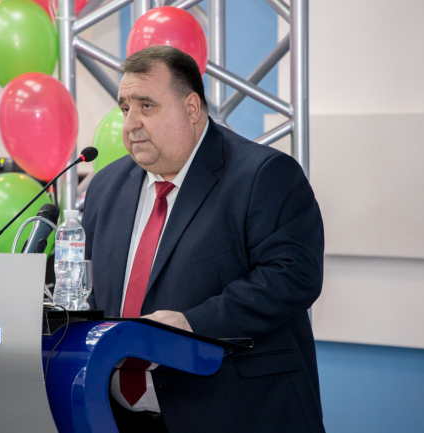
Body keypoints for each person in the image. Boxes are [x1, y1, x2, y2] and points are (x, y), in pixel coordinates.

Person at [82, 45, 325, 433]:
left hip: (236, 415)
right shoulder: (105, 187)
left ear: (192, 108)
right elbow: (90, 293)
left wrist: (191, 323)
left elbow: (293, 277)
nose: (130, 124)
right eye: (125, 108)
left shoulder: (263, 175)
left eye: (146, 106)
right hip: (120, 419)